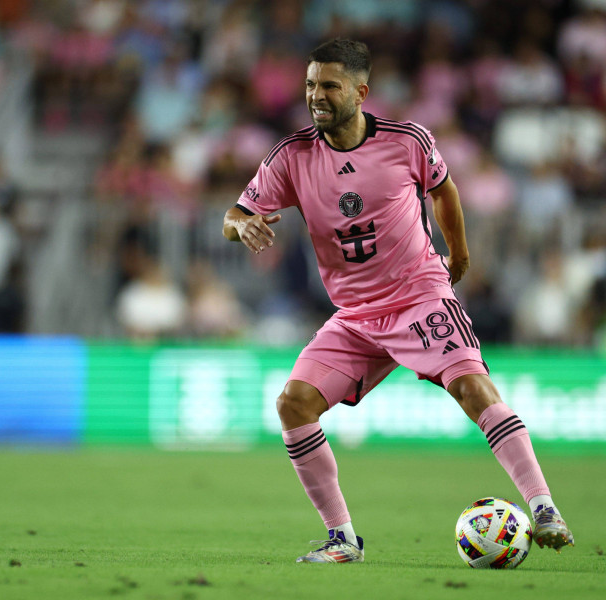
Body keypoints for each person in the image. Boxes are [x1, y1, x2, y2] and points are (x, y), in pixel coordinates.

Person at [222, 38, 574, 564]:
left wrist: (459, 256)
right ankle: (342, 540)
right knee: (293, 404)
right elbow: (232, 216)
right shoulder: (292, 156)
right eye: (311, 84)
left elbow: (445, 191)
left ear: (361, 92)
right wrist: (242, 225)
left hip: (417, 295)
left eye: (329, 86)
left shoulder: (406, 140)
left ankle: (544, 508)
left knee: (472, 387)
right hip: (356, 315)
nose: (316, 96)